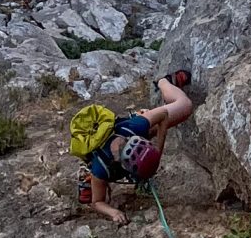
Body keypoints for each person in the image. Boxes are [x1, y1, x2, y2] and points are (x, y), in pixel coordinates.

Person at [79, 70, 194, 225]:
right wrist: (114, 212)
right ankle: (86, 177)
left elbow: (163, 116)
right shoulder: (101, 168)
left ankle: (163, 81)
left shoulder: (135, 127)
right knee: (100, 189)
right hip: (106, 160)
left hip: (136, 129)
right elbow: (97, 202)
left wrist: (157, 153)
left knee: (185, 106)